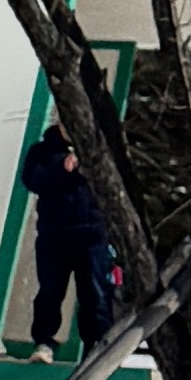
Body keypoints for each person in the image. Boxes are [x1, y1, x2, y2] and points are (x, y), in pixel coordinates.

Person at [18, 121, 117, 358]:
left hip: (92, 235)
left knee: (95, 295)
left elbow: (114, 186)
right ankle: (43, 342)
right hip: (54, 235)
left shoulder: (101, 150)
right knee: (50, 291)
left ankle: (96, 348)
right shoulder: (42, 151)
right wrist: (63, 168)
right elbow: (32, 180)